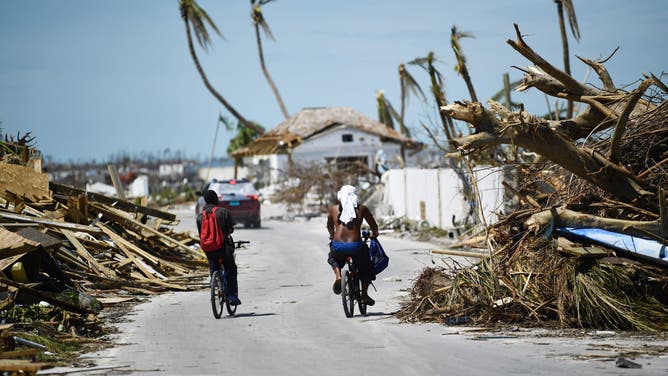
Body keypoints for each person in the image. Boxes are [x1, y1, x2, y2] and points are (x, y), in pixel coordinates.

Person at [326, 185, 379, 306]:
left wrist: (331, 235)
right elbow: (373, 226)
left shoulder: (333, 209)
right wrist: (374, 234)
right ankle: (364, 295)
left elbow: (329, 225)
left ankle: (339, 277)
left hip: (338, 245)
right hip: (356, 246)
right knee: (366, 267)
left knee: (333, 258)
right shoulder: (362, 209)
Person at [196, 190, 241, 305]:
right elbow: (230, 229)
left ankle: (214, 280)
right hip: (223, 248)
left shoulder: (200, 216)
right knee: (231, 269)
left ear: (205, 200)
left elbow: (201, 234)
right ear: (216, 199)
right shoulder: (223, 212)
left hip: (208, 249)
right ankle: (231, 296)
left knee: (214, 264)